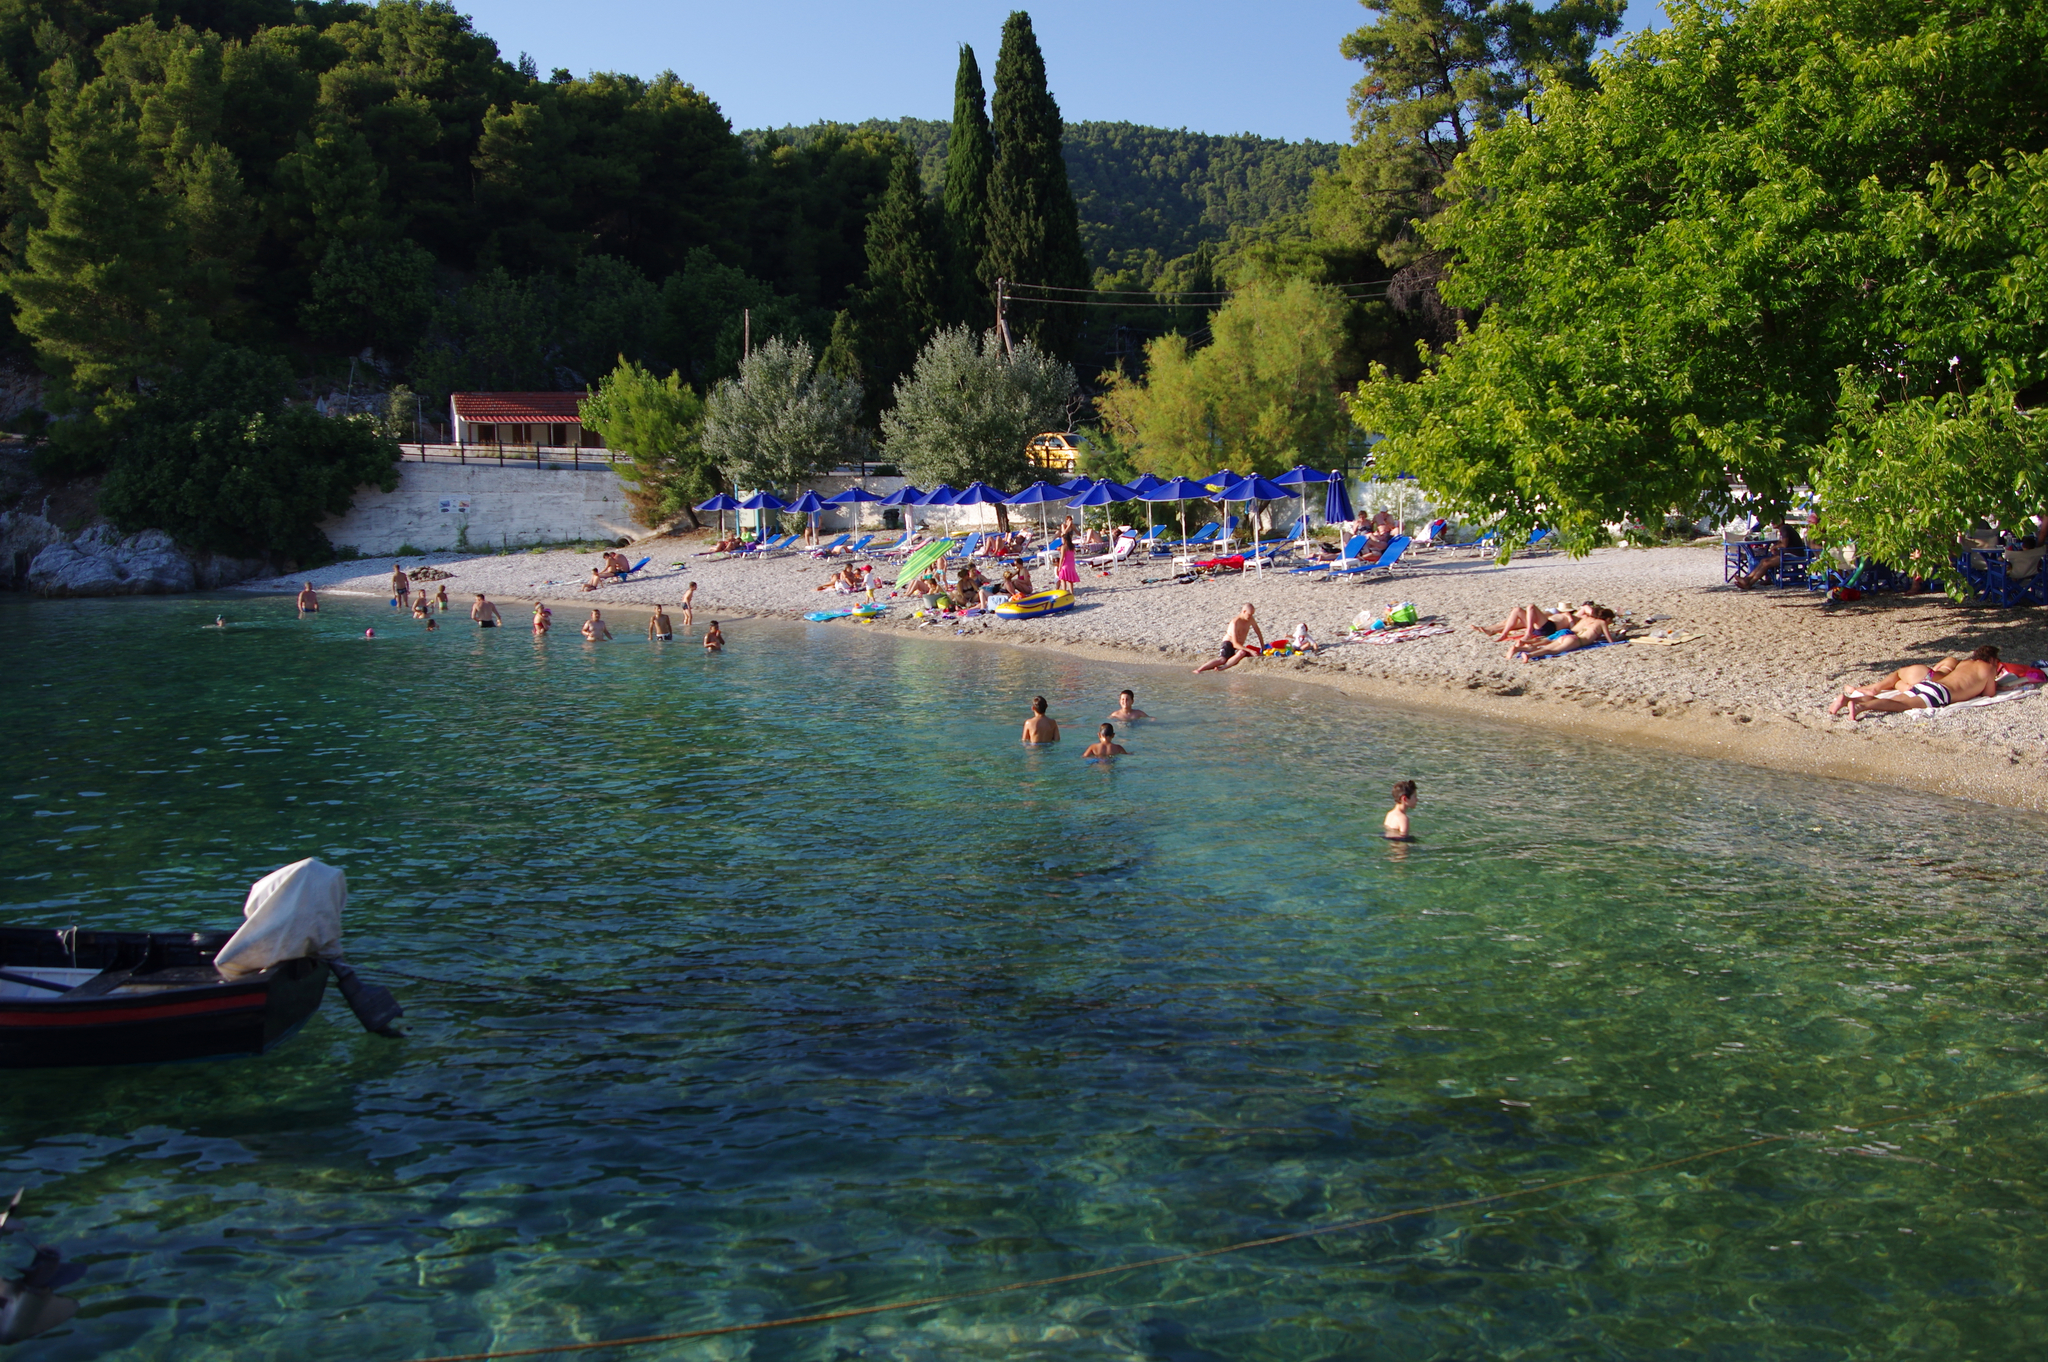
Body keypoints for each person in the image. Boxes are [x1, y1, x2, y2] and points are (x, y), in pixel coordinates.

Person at [1839, 647, 2002, 719]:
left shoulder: (1964, 663)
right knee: (1903, 705)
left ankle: (1847, 701)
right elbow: (1989, 694)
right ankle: (1861, 707)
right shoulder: (1989, 668)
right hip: (1941, 694)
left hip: (1931, 685)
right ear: (1993, 659)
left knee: (1896, 699)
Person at [1509, 606, 1618, 661]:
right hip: (1576, 641)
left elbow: (1579, 630)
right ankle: (1529, 655)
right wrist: (1619, 638)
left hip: (1568, 635)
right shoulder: (1602, 623)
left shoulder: (1587, 620)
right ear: (1607, 618)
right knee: (1551, 650)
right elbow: (1610, 640)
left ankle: (1518, 649)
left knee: (1546, 644)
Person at [1194, 603, 1266, 673]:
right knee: (1222, 660)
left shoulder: (1250, 619)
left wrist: (1262, 648)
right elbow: (1235, 644)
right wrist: (1250, 651)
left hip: (1239, 646)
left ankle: (1223, 668)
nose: (1250, 616)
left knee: (1242, 653)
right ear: (1244, 611)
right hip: (1229, 643)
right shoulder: (1235, 623)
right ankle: (1199, 669)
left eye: (1252, 615)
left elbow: (1258, 633)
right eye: (1249, 614)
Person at [1733, 521, 1805, 590]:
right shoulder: (1783, 529)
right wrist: (1777, 548)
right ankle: (1747, 579)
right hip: (1788, 554)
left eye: (1775, 521)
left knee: (1766, 563)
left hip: (1793, 556)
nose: (1772, 523)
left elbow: (1784, 544)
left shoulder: (1784, 528)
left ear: (1780, 521)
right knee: (1763, 560)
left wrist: (1775, 547)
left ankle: (1750, 583)